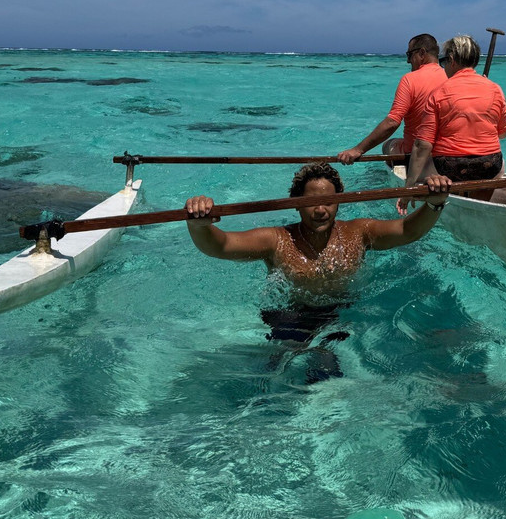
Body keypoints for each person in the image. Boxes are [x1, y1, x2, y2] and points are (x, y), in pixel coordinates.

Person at [184, 163, 452, 382]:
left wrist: (434, 204)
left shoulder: (358, 233)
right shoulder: (277, 240)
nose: (321, 210)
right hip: (289, 316)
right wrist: (199, 225)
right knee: (279, 372)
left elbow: (408, 230)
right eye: (312, 202)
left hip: (340, 313)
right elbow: (220, 245)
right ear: (296, 204)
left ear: (340, 202)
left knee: (333, 370)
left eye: (329, 201)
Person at [400, 35, 506, 213]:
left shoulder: (439, 93)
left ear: (451, 60)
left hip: (450, 168)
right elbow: (504, 132)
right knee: (499, 164)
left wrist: (409, 187)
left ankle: (452, 202)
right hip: (490, 165)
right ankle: (478, 206)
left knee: (422, 167)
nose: (443, 66)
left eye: (443, 61)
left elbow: (422, 145)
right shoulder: (495, 89)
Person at [337, 33, 448, 172]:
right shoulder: (451, 77)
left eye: (409, 55)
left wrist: (358, 149)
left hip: (416, 154)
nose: (408, 61)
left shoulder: (410, 79)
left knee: (387, 145)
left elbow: (392, 123)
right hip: (447, 153)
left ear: (421, 53)